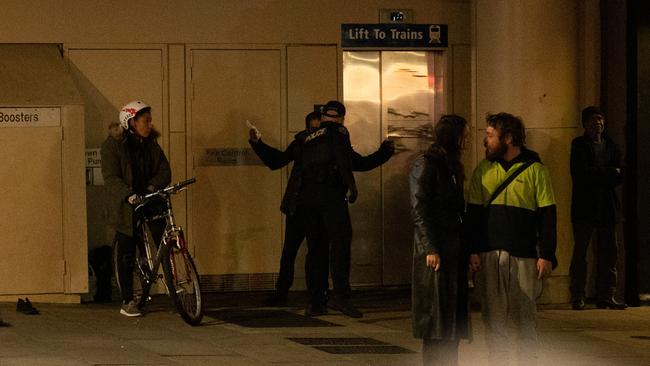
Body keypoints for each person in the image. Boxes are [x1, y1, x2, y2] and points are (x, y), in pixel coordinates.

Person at [249, 110, 394, 309]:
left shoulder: (312, 142)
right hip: (299, 205)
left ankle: (314, 295)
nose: (318, 133)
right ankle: (292, 292)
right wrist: (258, 144)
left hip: (304, 203)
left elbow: (356, 163)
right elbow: (278, 160)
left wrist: (383, 153)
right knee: (296, 250)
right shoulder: (305, 142)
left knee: (312, 250)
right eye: (314, 128)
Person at [466, 112, 557, 366]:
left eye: (490, 136)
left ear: (508, 138)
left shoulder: (536, 171)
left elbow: (548, 216)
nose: (486, 141)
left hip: (525, 256)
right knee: (493, 320)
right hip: (490, 255)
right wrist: (473, 250)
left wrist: (546, 254)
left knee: (525, 319)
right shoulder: (483, 169)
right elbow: (472, 215)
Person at [410, 115, 471, 366]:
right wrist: (430, 248)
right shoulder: (427, 164)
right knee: (436, 320)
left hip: (453, 248)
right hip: (435, 250)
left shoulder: (453, 166)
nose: (467, 141)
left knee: (451, 320)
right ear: (453, 137)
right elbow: (419, 208)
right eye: (464, 136)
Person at [101, 101, 171, 317]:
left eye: (150, 120)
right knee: (126, 249)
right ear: (131, 122)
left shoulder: (151, 144)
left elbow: (164, 170)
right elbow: (111, 177)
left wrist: (152, 187)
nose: (149, 125)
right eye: (145, 121)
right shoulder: (113, 145)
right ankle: (127, 300)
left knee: (164, 238)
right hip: (127, 202)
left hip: (149, 197)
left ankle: (173, 284)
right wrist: (128, 194)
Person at [569, 106, 626, 310]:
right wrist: (609, 173)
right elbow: (581, 174)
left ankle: (607, 295)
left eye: (601, 119)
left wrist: (600, 174)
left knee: (610, 252)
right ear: (585, 124)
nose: (598, 124)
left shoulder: (611, 145)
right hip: (585, 207)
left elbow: (621, 174)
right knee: (581, 253)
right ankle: (578, 295)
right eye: (594, 120)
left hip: (608, 207)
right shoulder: (578, 145)